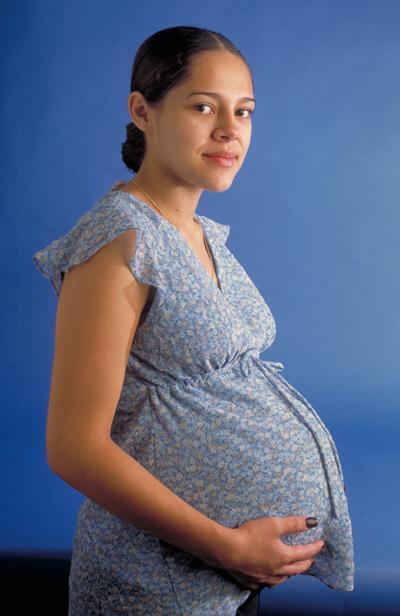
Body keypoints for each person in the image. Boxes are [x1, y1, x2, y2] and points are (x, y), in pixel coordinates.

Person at [32, 25, 354, 616]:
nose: (230, 130)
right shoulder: (119, 241)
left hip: (222, 583)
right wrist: (227, 545)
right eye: (203, 106)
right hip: (155, 589)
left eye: (245, 111)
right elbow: (73, 448)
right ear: (142, 111)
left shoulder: (201, 234)